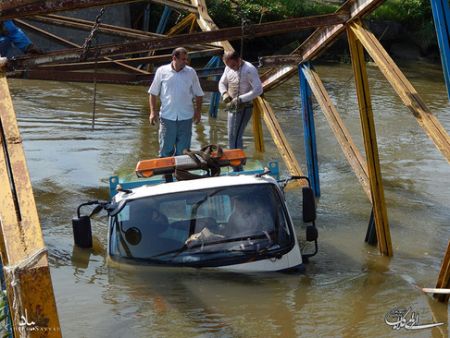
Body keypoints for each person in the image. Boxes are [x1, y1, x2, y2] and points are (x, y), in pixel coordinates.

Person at [148, 47, 204, 158]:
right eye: (183, 59)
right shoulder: (161, 71)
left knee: (183, 153)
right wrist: (152, 112)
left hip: (186, 117)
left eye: (186, 59)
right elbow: (153, 93)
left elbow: (199, 94)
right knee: (165, 150)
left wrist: (198, 112)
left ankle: (180, 174)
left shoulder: (191, 72)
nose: (186, 62)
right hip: (167, 117)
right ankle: (166, 175)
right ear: (174, 58)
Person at [218, 51, 263, 156]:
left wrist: (240, 99)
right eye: (229, 66)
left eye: (233, 65)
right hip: (231, 107)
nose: (232, 68)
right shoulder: (228, 67)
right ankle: (236, 164)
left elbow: (258, 89)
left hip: (244, 107)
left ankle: (238, 165)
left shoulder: (249, 69)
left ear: (239, 59)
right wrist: (224, 93)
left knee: (235, 136)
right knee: (231, 136)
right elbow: (222, 83)